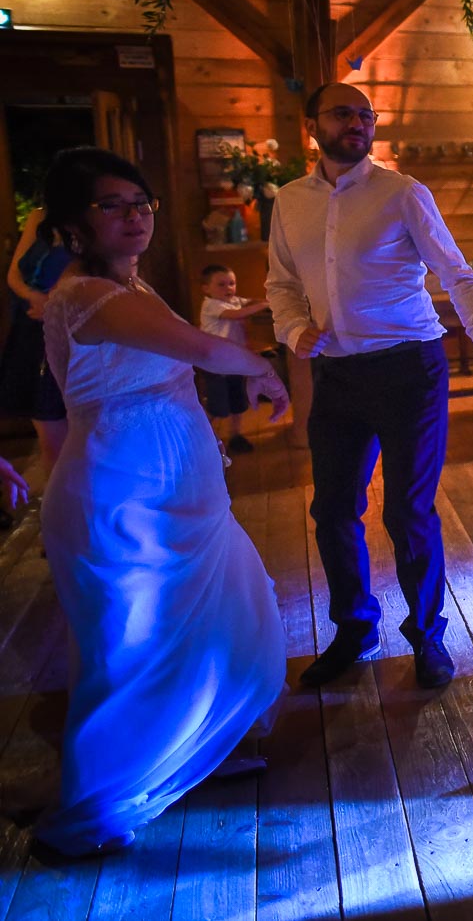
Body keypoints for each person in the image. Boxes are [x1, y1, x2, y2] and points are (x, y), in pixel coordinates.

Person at [32, 147, 289, 857]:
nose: (134, 216)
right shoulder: (86, 296)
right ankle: (93, 811)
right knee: (132, 649)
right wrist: (263, 368)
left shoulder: (131, 283)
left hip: (178, 492)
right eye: (111, 205)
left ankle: (194, 746)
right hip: (123, 496)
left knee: (218, 619)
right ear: (75, 225)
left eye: (141, 203)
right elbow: (199, 348)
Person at [267, 82, 473, 691]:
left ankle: (428, 634)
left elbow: (456, 272)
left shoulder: (402, 193)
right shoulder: (290, 201)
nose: (357, 123)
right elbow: (281, 284)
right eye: (342, 113)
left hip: (409, 369)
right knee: (332, 510)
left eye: (365, 114)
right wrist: (293, 328)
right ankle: (355, 629)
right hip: (336, 373)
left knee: (408, 511)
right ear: (312, 125)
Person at [0, 205, 71, 494]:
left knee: (78, 435)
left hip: (71, 329)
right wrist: (35, 298)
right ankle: (59, 507)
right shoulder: (40, 216)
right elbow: (14, 276)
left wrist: (57, 304)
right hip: (31, 329)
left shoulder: (98, 218)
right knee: (47, 430)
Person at [198, 263, 270, 458]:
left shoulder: (234, 300)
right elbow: (236, 314)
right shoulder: (211, 305)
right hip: (216, 366)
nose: (228, 288)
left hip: (234, 363)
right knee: (217, 405)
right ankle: (199, 437)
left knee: (238, 401)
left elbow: (247, 302)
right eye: (221, 284)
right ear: (206, 289)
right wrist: (263, 305)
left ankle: (235, 435)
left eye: (232, 283)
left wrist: (266, 300)